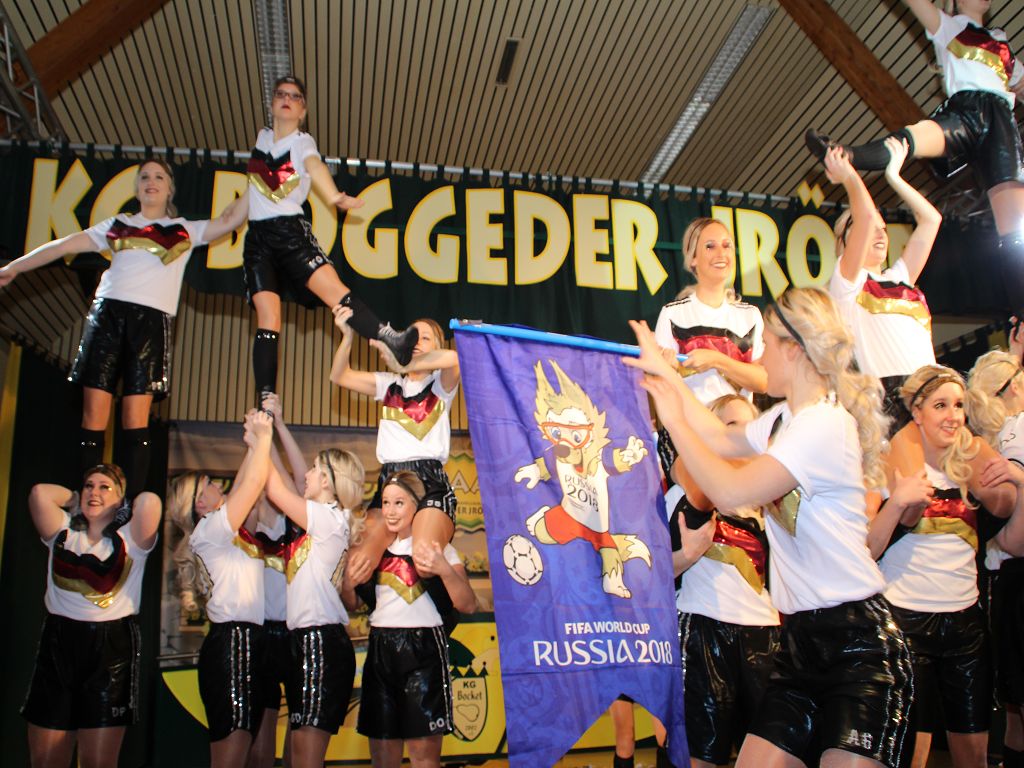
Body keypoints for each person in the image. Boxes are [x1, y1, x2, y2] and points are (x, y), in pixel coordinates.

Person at [625, 287, 913, 768]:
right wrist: (667, 377)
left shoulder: (823, 424)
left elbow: (731, 490)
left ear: (794, 349)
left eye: (768, 345)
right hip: (798, 644)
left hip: (858, 647)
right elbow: (718, 437)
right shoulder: (783, 420)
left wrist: (672, 417)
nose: (758, 358)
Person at [0, 159, 247, 497]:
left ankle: (131, 503)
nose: (151, 181)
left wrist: (258, 182)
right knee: (94, 415)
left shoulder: (183, 230)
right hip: (108, 316)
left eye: (159, 176)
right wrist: (15, 267)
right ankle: (87, 495)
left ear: (170, 189)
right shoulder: (118, 225)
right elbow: (64, 245)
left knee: (135, 418)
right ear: (136, 188)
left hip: (151, 323)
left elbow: (229, 219)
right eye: (144, 176)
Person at [805, 0, 1024, 310]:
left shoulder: (1003, 44)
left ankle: (1021, 314)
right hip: (964, 112)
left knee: (1014, 234)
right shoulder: (948, 26)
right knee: (908, 140)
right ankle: (847, 155)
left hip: (1001, 125)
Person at [867, 365, 1015, 768]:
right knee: (908, 751)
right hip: (906, 620)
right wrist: (897, 503)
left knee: (973, 749)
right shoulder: (889, 465)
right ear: (916, 412)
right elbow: (866, 548)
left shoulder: (971, 465)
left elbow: (1006, 512)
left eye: (959, 405)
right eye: (940, 405)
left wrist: (1015, 479)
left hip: (965, 624)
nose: (953, 415)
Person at [242, 74, 417, 407]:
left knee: (335, 291)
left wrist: (334, 196)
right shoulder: (262, 138)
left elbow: (315, 166)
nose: (286, 99)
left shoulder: (301, 142)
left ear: (303, 110)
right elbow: (251, 194)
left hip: (288, 231)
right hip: (258, 240)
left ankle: (388, 336)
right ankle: (266, 396)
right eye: (281, 94)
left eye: (294, 96)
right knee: (268, 317)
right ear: (271, 103)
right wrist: (215, 226)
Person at [22, 464, 161, 768]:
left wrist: (124, 507)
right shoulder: (63, 531)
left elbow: (150, 502)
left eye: (104, 487)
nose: (94, 492)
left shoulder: (132, 539)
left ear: (121, 499)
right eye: (89, 486)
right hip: (59, 644)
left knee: (98, 762)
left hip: (110, 650)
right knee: (46, 761)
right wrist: (75, 499)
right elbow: (39, 493)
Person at [672, 394, 780, 768]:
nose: (742, 435)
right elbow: (649, 576)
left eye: (750, 426)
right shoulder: (683, 495)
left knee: (766, 755)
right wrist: (687, 556)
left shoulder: (771, 503)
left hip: (765, 635)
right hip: (703, 632)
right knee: (700, 754)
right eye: (732, 425)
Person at [342, 471, 477, 768]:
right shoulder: (375, 552)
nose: (390, 511)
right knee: (382, 754)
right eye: (386, 503)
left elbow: (468, 604)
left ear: (418, 506)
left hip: (423, 651)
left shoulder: (440, 548)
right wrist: (348, 586)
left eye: (399, 503)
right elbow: (354, 604)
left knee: (423, 756)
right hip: (381, 650)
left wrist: (443, 568)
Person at [166, 411, 275, 767]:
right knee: (230, 756)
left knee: (257, 753)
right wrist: (264, 435)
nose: (218, 486)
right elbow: (253, 483)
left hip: (253, 640)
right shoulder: (211, 531)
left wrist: (253, 444)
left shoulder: (226, 529)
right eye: (210, 484)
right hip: (232, 645)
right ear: (200, 504)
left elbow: (244, 483)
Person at [330, 306, 460, 595]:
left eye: (425, 338)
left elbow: (454, 358)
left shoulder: (440, 386)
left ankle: (444, 608)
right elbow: (340, 376)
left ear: (437, 347)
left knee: (424, 558)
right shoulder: (389, 385)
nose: (417, 342)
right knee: (355, 568)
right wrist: (347, 337)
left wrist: (402, 363)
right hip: (390, 481)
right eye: (412, 336)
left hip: (428, 481)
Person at [824, 141, 941, 432]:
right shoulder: (847, 285)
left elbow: (931, 220)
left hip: (933, 394)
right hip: (888, 402)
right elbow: (863, 215)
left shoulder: (901, 278)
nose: (879, 233)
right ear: (845, 240)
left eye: (884, 229)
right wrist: (849, 175)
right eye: (869, 229)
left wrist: (894, 177)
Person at [263, 440, 365, 768]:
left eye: (313, 468)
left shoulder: (327, 518)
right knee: (297, 755)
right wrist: (274, 429)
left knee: (306, 757)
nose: (305, 474)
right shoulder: (318, 519)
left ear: (326, 480)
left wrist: (260, 440)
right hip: (305, 641)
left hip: (320, 643)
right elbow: (288, 479)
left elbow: (276, 489)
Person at [966, 337, 1024, 768]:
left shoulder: (984, 444)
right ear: (1013, 387)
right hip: (1013, 581)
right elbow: (1013, 541)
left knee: (1014, 710)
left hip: (1003, 582)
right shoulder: (1010, 436)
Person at [654, 216, 767, 405]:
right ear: (693, 258)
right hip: (690, 421)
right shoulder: (673, 315)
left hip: (739, 423)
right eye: (710, 246)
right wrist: (667, 369)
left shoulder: (750, 315)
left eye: (727, 245)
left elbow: (763, 381)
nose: (721, 253)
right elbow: (660, 386)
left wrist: (716, 360)